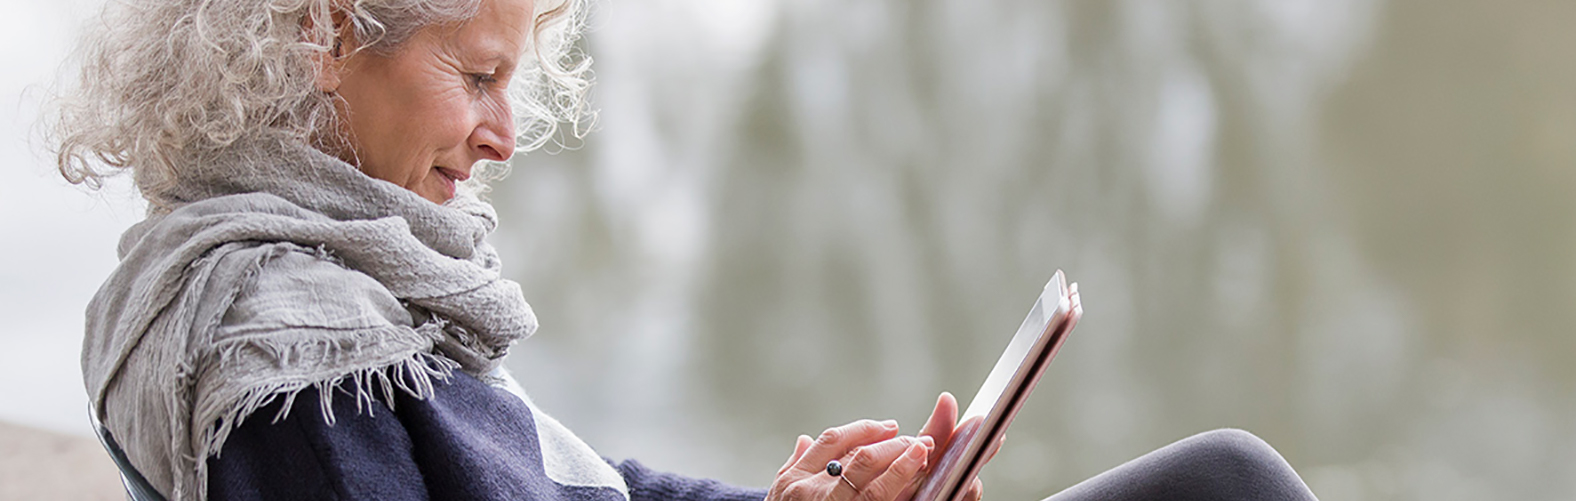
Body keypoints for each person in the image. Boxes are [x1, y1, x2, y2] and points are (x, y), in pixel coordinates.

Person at [52, 0, 1322, 500]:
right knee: (1229, 487)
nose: (503, 135)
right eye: (479, 75)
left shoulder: (345, 286)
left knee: (1223, 479)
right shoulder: (285, 346)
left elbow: (588, 485)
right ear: (328, 32)